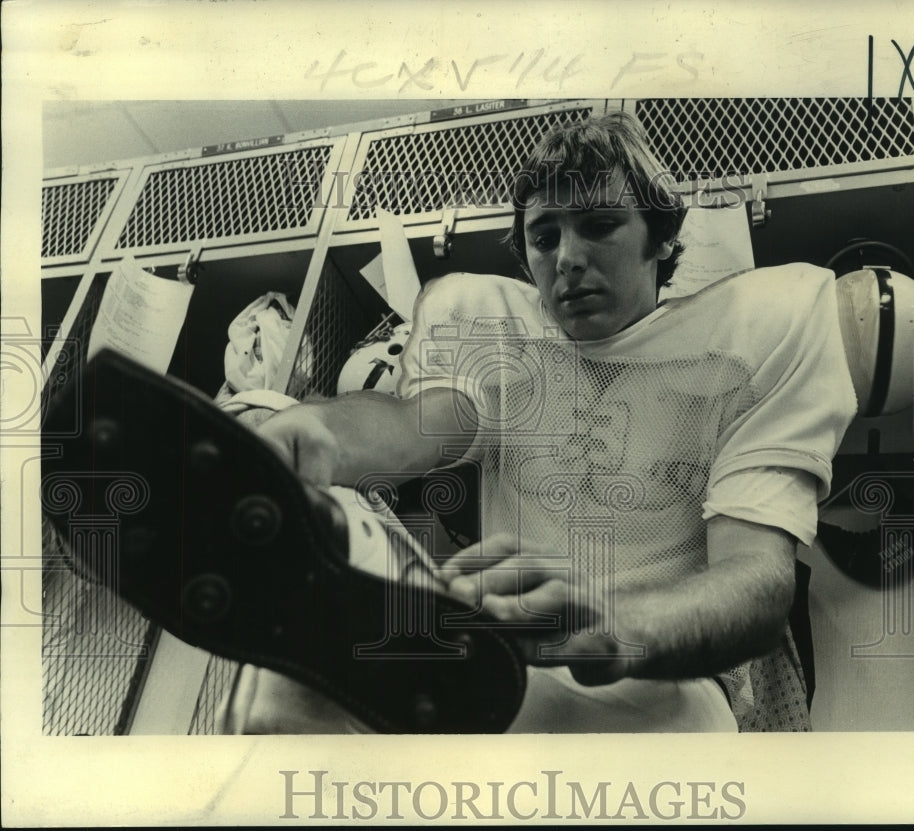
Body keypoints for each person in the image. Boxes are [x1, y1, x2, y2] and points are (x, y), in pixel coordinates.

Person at [255, 112, 857, 732]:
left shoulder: (740, 351)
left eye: (599, 226)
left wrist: (609, 626)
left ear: (663, 239)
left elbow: (756, 578)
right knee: (290, 694)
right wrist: (319, 435)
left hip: (658, 685)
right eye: (544, 238)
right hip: (502, 668)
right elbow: (418, 429)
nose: (567, 258)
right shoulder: (500, 346)